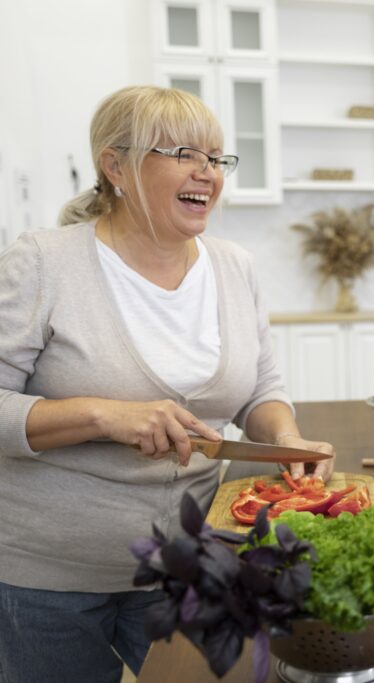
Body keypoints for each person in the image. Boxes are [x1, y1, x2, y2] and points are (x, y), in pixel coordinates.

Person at [0, 85, 335, 682]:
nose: (207, 172)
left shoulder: (234, 265)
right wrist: (107, 415)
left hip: (196, 564)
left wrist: (288, 440)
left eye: (216, 158)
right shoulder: (44, 262)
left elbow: (261, 386)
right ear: (115, 166)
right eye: (184, 153)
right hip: (49, 575)